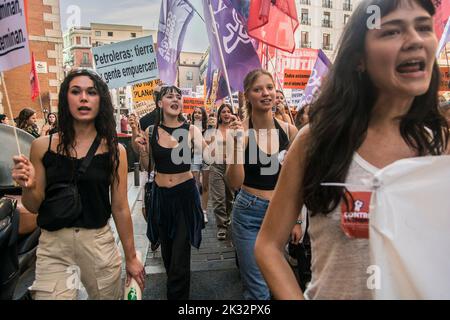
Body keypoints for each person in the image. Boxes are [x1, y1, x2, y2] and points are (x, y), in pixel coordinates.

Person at [255, 0, 449, 300]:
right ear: (359, 58)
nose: (414, 40)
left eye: (424, 27)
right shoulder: (315, 142)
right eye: (392, 32)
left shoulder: (442, 145)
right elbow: (268, 245)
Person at [11, 69, 145, 299]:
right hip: (53, 248)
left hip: (98, 245)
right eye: (76, 91)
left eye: (91, 92)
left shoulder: (115, 151)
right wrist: (29, 185)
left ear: (100, 100)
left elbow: (121, 207)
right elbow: (33, 206)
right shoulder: (42, 146)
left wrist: (131, 257)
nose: (83, 97)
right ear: (66, 99)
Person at [226, 69, 298, 300]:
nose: (266, 93)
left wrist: (296, 220)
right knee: (258, 291)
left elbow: (297, 182)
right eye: (258, 89)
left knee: (279, 286)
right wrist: (237, 145)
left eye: (270, 87)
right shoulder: (240, 133)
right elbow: (234, 182)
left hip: (279, 214)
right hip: (248, 214)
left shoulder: (289, 131)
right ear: (247, 95)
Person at [136, 85, 212, 300]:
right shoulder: (150, 131)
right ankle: (176, 289)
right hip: (161, 199)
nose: (175, 99)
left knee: (179, 257)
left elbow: (208, 156)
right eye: (169, 96)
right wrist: (142, 152)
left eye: (179, 96)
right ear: (160, 103)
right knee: (169, 256)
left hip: (185, 198)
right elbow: (147, 167)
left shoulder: (191, 130)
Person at [208, 103, 235, 240]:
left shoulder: (236, 128)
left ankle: (227, 216)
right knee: (218, 198)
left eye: (228, 111)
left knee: (230, 197)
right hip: (216, 166)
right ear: (219, 115)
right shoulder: (214, 129)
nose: (226, 114)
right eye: (223, 111)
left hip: (231, 166)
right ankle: (222, 226)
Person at [191, 106, 210, 224]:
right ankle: (196, 210)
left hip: (206, 158)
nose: (197, 114)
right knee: (196, 185)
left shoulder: (209, 129)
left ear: (203, 115)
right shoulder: (189, 128)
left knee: (206, 185)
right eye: (195, 112)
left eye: (199, 113)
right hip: (194, 158)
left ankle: (204, 211)